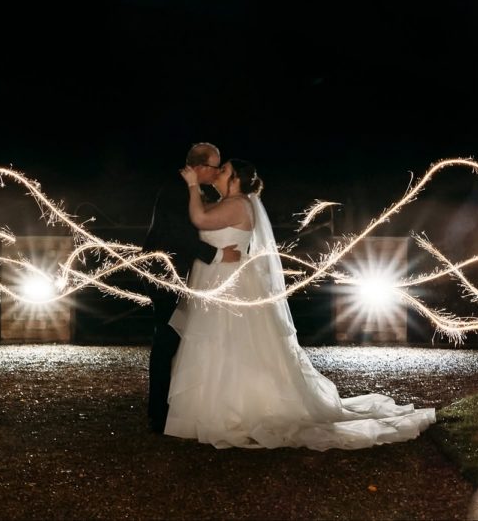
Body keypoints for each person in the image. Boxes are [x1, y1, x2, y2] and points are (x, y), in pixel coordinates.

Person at [165, 159, 435, 449]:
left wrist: (193, 185)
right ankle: (208, 407)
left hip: (232, 285)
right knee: (215, 343)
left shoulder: (239, 204)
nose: (219, 173)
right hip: (217, 280)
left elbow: (201, 220)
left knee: (231, 343)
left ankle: (232, 408)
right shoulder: (227, 202)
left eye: (225, 171)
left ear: (236, 181)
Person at [142, 143, 242, 433]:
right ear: (201, 166)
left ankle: (173, 407)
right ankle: (159, 415)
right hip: (166, 277)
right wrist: (220, 255)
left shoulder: (195, 190)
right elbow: (179, 235)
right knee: (167, 342)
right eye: (215, 166)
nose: (218, 171)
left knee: (177, 340)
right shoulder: (176, 190)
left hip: (184, 278)